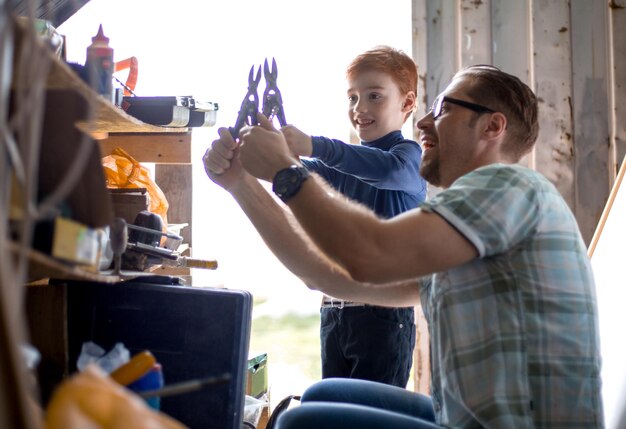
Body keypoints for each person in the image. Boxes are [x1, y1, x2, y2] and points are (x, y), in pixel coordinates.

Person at [203, 64, 604, 428]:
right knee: (322, 395)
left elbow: (369, 255)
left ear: (492, 127)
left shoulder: (509, 186)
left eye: (444, 109)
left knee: (301, 423)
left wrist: (285, 171)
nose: (425, 122)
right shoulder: (473, 225)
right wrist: (240, 183)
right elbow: (326, 276)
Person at [279, 45, 426, 388]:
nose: (360, 108)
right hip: (334, 311)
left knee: (369, 419)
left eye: (374, 96)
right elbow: (302, 178)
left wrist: (315, 145)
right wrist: (271, 154)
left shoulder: (408, 156)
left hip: (384, 315)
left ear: (407, 103)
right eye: (353, 98)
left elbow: (387, 171)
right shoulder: (344, 166)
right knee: (337, 415)